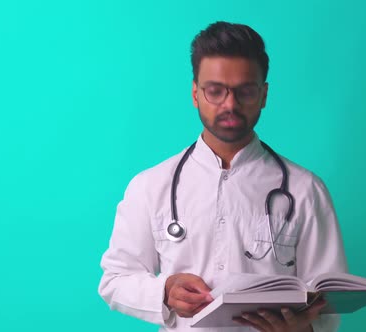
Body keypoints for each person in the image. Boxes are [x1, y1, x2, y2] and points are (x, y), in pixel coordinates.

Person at [98, 21, 348, 332]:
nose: (230, 104)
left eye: (245, 91)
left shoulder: (305, 190)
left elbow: (330, 303)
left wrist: (303, 329)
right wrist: (164, 291)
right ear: (195, 93)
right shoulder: (150, 186)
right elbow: (115, 279)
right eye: (215, 91)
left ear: (263, 95)